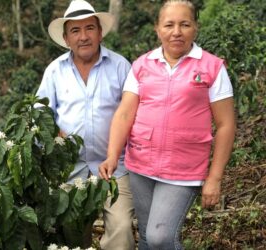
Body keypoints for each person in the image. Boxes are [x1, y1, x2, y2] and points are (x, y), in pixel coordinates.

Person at [99, 0, 236, 249]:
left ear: (196, 27)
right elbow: (124, 114)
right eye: (169, 25)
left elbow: (226, 124)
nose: (176, 32)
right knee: (148, 236)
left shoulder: (212, 67)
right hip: (141, 165)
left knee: (162, 236)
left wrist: (214, 178)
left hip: (183, 171)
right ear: (157, 29)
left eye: (185, 24)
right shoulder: (142, 65)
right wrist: (111, 156)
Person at [36, 0, 135, 249]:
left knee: (122, 229)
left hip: (115, 168)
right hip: (70, 170)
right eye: (75, 31)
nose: (84, 37)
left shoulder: (121, 66)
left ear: (100, 32)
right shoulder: (55, 71)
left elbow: (135, 112)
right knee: (71, 233)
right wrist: (52, 140)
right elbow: (39, 114)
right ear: (67, 38)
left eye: (89, 28)